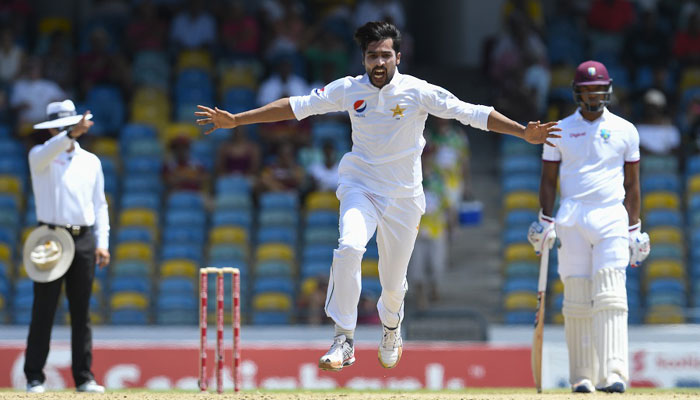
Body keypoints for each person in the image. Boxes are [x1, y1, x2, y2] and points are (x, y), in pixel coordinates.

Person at [196, 21, 560, 372]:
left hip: (404, 197)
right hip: (361, 187)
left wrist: (520, 132)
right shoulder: (349, 89)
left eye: (386, 55)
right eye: (372, 55)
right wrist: (238, 120)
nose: (379, 62)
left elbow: (471, 113)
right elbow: (297, 105)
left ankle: (390, 329)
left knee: (392, 284)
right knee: (349, 247)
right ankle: (344, 338)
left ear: (398, 57)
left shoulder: (418, 91)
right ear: (364, 59)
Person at [527, 60, 650, 394]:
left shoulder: (626, 130)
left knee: (611, 294)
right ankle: (582, 376)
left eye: (598, 88)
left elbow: (633, 183)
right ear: (576, 92)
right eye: (587, 89)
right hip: (571, 217)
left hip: (611, 216)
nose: (593, 94)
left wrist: (634, 228)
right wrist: (544, 220)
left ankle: (614, 373)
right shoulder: (559, 130)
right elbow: (548, 180)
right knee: (577, 298)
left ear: (608, 90)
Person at [25, 100, 110, 393]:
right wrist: (70, 134)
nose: (63, 132)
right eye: (59, 128)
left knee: (81, 310)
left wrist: (103, 242)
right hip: (49, 237)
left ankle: (84, 377)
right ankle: (34, 376)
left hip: (83, 238)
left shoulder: (91, 161)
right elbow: (52, 149)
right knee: (44, 308)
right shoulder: (40, 156)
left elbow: (100, 204)